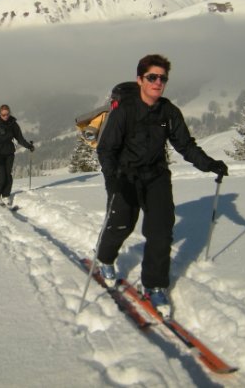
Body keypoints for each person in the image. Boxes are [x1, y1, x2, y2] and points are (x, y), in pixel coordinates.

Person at [95, 54, 228, 318]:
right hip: (125, 177)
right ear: (140, 80)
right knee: (122, 224)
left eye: (162, 78)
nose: (158, 82)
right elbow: (106, 149)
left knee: (161, 230)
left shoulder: (168, 113)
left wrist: (210, 164)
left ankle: (154, 285)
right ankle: (106, 259)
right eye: (152, 77)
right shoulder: (125, 112)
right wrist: (113, 181)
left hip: (156, 176)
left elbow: (185, 145)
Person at [0, 104, 34, 206]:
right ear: (0, 114)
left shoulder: (13, 124)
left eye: (7, 114)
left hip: (9, 152)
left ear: (9, 113)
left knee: (8, 175)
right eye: (3, 114)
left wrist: (29, 146)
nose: (5, 116)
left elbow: (20, 138)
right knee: (2, 175)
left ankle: (6, 195)